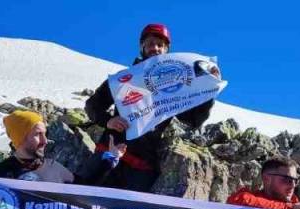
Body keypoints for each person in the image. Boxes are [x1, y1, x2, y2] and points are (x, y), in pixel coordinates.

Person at [83, 23, 215, 192]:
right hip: (109, 151)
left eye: (160, 45)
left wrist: (208, 90)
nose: (155, 48)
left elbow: (192, 120)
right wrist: (108, 121)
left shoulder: (175, 87)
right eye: (151, 43)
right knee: (82, 199)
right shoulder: (124, 79)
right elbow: (92, 106)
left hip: (141, 166)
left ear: (167, 50)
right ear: (142, 47)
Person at [0, 110, 124, 184]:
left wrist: (110, 159)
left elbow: (85, 189)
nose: (45, 140)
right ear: (20, 137)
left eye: (45, 134)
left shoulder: (54, 167)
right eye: (38, 134)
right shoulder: (0, 173)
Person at [227, 157, 300, 209]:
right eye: (287, 179)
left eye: (295, 180)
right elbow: (240, 200)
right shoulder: (247, 198)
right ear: (266, 178)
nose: (293, 185)